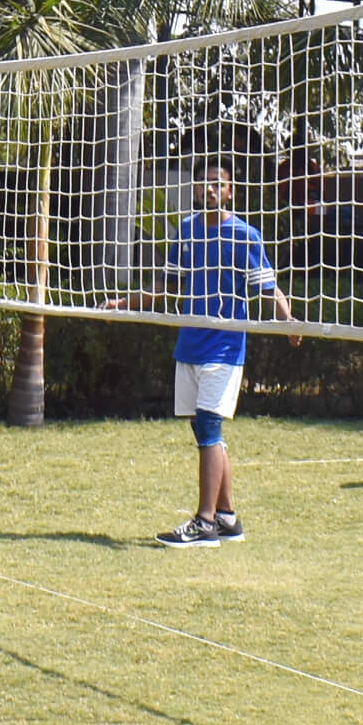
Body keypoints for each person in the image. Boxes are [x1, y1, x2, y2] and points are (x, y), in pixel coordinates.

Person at [107, 158, 297, 546]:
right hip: (189, 345)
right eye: (204, 183)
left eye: (217, 184)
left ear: (230, 192)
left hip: (224, 348)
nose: (210, 189)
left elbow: (268, 287)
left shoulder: (245, 236)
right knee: (202, 429)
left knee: (210, 427)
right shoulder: (187, 231)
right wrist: (123, 304)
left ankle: (205, 522)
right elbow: (166, 285)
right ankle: (227, 517)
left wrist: (289, 321)